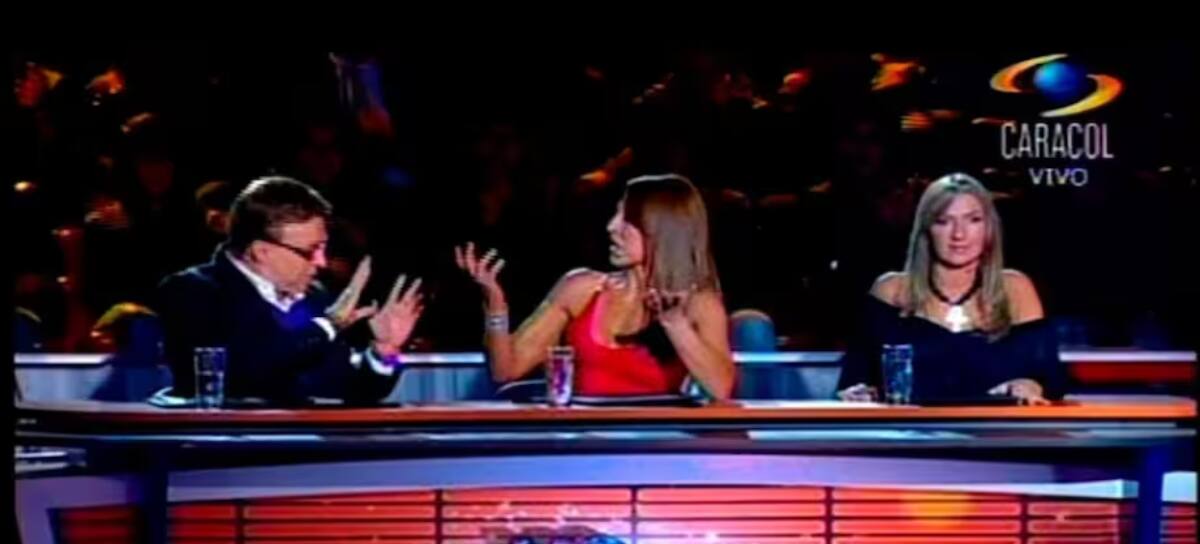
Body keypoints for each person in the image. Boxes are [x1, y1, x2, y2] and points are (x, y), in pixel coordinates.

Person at [456, 174, 735, 399]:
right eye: (616, 215)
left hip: (658, 445)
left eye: (627, 221)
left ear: (661, 230)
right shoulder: (581, 289)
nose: (611, 227)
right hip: (586, 442)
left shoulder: (699, 304)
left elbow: (720, 389)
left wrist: (676, 326)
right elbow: (505, 370)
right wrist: (495, 302)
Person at [155, 176, 424, 404]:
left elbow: (349, 391)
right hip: (224, 446)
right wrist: (329, 324)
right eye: (310, 251)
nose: (321, 262)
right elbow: (247, 372)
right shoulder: (193, 291)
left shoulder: (315, 297)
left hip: (307, 445)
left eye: (323, 248)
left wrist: (384, 353)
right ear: (261, 251)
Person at [836, 173, 1066, 405]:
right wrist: (858, 393)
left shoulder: (1015, 289)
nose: (959, 235)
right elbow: (853, 380)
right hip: (911, 427)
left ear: (989, 228)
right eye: (943, 221)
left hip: (993, 427)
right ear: (926, 229)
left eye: (973, 220)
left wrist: (1030, 385)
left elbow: (1050, 379)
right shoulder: (892, 291)